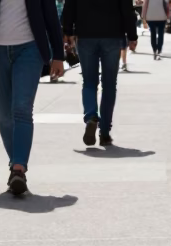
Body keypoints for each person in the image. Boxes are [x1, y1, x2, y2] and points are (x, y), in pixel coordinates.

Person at [0, 0, 66, 196]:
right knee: (4, 116)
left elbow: (50, 15)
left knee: (21, 109)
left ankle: (19, 168)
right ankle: (15, 166)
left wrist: (58, 55)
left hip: (30, 49)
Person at [62, 0, 138, 147]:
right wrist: (132, 35)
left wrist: (68, 31)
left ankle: (91, 116)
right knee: (109, 85)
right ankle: (104, 132)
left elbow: (69, 6)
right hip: (112, 35)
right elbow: (127, 9)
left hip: (85, 34)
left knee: (89, 82)